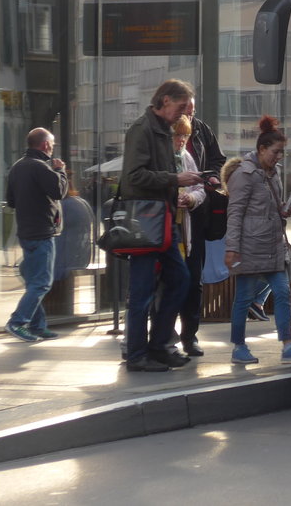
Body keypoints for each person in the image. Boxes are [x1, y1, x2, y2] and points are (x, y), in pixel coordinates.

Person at [120, 79, 201, 372]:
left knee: (180, 278)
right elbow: (133, 177)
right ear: (165, 101)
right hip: (147, 220)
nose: (182, 114)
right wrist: (175, 180)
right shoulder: (143, 131)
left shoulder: (161, 131)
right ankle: (138, 354)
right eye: (180, 107)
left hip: (161, 219)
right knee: (142, 291)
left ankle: (158, 346)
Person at [225, 116, 291, 365]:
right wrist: (233, 248)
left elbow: (272, 205)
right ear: (262, 149)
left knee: (283, 292)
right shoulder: (244, 175)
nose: (279, 157)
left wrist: (282, 210)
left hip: (271, 245)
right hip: (250, 247)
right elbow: (234, 213)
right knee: (244, 298)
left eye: (282, 153)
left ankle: (288, 344)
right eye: (276, 152)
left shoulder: (272, 173)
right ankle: (238, 346)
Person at [5, 128, 67, 342]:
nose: (53, 147)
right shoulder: (41, 167)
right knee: (42, 282)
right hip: (42, 233)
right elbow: (59, 192)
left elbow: (11, 201)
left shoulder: (17, 167)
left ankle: (38, 326)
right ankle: (18, 322)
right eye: (52, 143)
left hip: (26, 232)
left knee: (33, 279)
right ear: (45, 145)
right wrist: (60, 171)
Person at [176, 98, 226, 356]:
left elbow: (218, 160)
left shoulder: (203, 130)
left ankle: (189, 335)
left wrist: (211, 179)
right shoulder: (166, 136)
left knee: (194, 276)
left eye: (193, 109)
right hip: (170, 218)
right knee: (171, 278)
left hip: (196, 213)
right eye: (186, 109)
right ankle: (166, 332)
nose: (190, 113)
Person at [169, 114, 206, 355]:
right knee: (170, 285)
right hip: (167, 231)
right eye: (178, 135)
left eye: (185, 135)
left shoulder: (187, 158)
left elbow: (199, 188)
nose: (182, 140)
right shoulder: (162, 157)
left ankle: (189, 335)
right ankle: (168, 336)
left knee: (193, 284)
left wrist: (191, 198)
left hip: (187, 232)